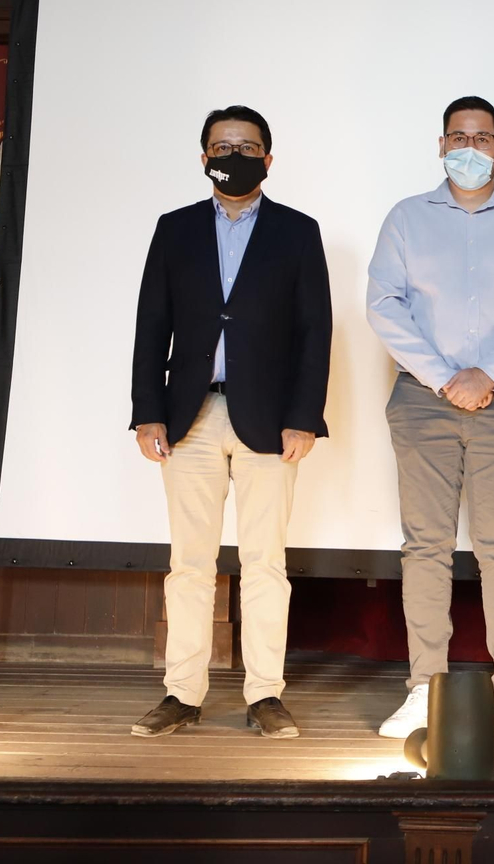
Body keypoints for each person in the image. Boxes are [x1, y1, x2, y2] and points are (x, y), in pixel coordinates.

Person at [129, 105, 332, 740]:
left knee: (265, 561)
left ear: (268, 160)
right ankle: (181, 694)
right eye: (223, 145)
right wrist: (145, 412)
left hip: (271, 421)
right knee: (189, 563)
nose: (235, 154)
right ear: (204, 159)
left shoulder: (298, 232)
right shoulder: (175, 229)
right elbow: (149, 326)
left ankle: (265, 695)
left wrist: (303, 417)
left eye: (247, 146)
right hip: (188, 415)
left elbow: (314, 331)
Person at [367, 96, 494, 742]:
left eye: (483, 137)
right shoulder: (407, 218)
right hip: (422, 400)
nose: (470, 147)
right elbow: (384, 304)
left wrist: (489, 373)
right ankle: (425, 684)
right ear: (440, 143)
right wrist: (444, 376)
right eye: (459, 135)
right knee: (424, 545)